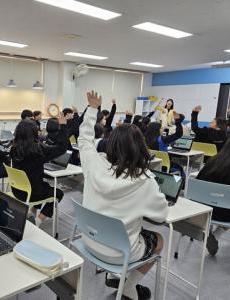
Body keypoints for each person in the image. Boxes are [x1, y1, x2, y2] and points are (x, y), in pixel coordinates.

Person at [79, 91, 168, 300]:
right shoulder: (144, 179)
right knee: (158, 239)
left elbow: (84, 139)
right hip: (121, 252)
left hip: (89, 240)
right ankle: (129, 286)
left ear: (110, 144)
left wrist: (92, 109)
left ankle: (114, 275)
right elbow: (160, 215)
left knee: (117, 220)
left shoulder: (94, 163)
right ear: (140, 147)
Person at [10, 115, 67, 226]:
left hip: (17, 190)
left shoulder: (14, 147)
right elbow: (61, 148)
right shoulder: (38, 150)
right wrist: (63, 126)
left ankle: (32, 213)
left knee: (43, 185)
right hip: (32, 193)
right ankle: (38, 221)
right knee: (58, 193)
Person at [197, 131, 230, 256]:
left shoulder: (212, 162)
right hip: (228, 214)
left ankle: (207, 230)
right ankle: (216, 235)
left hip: (204, 210)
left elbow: (198, 182)